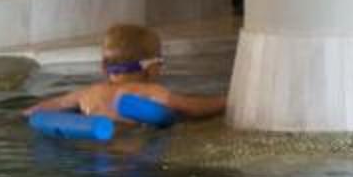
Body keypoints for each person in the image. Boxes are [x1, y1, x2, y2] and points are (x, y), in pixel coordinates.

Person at [25, 22, 224, 125]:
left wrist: (28, 113)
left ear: (103, 67)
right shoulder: (150, 92)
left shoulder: (89, 93)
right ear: (151, 68)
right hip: (134, 155)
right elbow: (191, 107)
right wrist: (226, 102)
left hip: (96, 148)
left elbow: (52, 105)